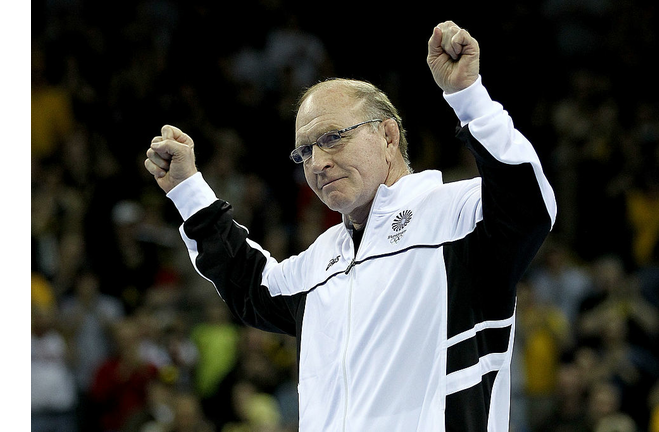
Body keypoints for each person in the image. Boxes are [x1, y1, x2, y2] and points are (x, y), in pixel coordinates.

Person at [144, 21, 557, 432]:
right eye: (304, 151)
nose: (317, 163)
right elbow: (251, 285)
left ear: (388, 135)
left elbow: (528, 203)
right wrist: (187, 190)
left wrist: (468, 96)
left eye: (333, 138)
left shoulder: (457, 219)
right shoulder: (320, 262)